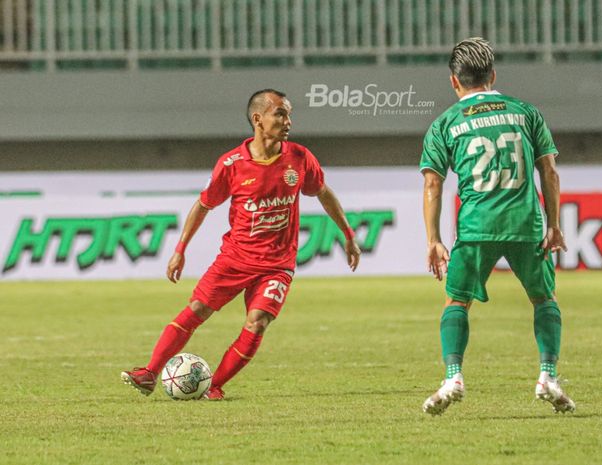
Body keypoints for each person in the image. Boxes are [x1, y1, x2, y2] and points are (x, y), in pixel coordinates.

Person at [121, 89, 361, 400]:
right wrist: (180, 250)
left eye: (289, 114)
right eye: (280, 113)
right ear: (258, 119)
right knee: (196, 309)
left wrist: (348, 234)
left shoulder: (300, 158)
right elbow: (204, 205)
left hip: (277, 264)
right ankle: (150, 373)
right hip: (235, 259)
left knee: (257, 322)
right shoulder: (232, 164)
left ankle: (214, 386)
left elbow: (323, 192)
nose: (288, 121)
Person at [419, 38, 575, 415]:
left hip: (475, 227)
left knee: (457, 301)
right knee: (544, 299)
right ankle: (548, 375)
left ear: (454, 82)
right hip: (525, 225)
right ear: (493, 75)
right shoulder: (525, 113)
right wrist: (554, 225)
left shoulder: (446, 123)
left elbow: (432, 183)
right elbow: (549, 171)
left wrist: (434, 240)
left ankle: (454, 376)